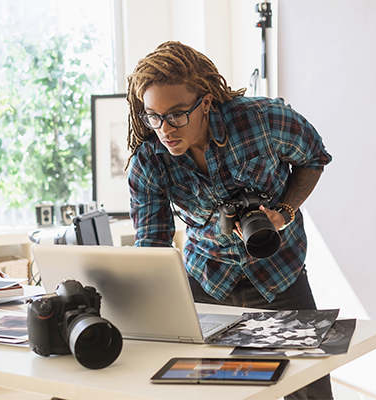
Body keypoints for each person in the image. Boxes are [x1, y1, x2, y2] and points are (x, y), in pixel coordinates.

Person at [126, 41, 333, 399]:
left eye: (176, 114)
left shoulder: (262, 120)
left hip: (279, 273)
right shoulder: (149, 162)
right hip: (207, 280)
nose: (164, 129)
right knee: (211, 389)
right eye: (153, 116)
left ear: (205, 102)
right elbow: (152, 247)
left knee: (308, 389)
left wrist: (284, 211)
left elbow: (314, 157)